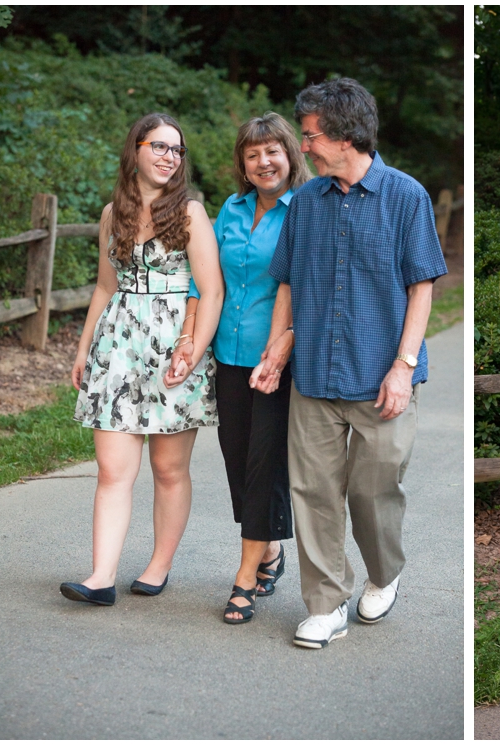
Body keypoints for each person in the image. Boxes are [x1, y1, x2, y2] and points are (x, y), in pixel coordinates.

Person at [250, 78, 448, 648]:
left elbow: (421, 288)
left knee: (373, 489)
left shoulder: (405, 195)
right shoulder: (307, 202)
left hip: (381, 376)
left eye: (309, 137)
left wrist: (403, 367)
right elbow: (288, 282)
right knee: (313, 491)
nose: (302, 148)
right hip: (314, 372)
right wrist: (276, 350)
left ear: (344, 135)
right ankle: (325, 602)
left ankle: (385, 574)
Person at [63, 113, 223, 606]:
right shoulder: (113, 213)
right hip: (117, 346)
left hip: (176, 344)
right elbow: (105, 286)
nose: (168, 156)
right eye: (159, 146)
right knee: (112, 470)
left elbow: (212, 290)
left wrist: (193, 353)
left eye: (176, 150)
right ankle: (101, 576)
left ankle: (159, 564)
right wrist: (84, 346)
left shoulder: (191, 213)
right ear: (135, 149)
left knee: (169, 470)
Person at [178, 113, 312, 624]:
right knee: (237, 460)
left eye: (272, 151)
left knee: (264, 463)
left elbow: (307, 288)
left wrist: (283, 346)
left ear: (290, 155)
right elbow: (202, 280)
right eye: (253, 154)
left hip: (278, 360)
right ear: (242, 163)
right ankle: (271, 549)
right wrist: (191, 340)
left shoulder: (306, 211)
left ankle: (244, 578)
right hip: (227, 357)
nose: (264, 162)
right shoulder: (230, 211)